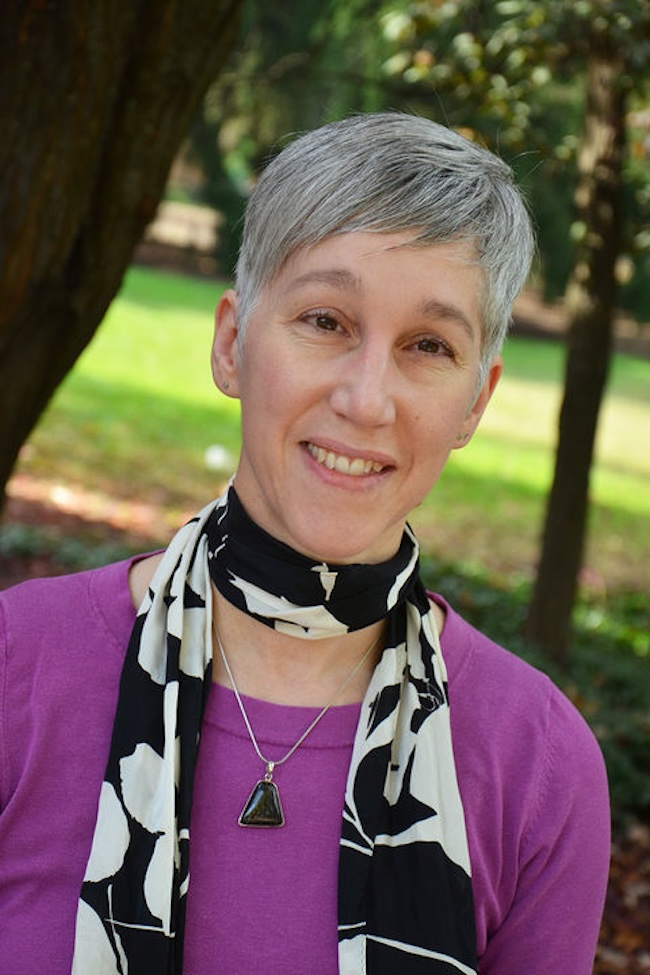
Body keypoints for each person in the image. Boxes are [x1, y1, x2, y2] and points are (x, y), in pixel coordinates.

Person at [0, 112, 609, 975]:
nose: (367, 399)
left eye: (428, 345)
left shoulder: (536, 765)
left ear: (476, 401)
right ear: (232, 342)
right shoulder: (16, 668)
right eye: (325, 320)